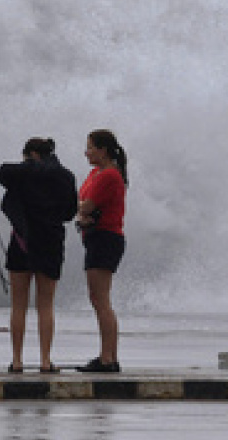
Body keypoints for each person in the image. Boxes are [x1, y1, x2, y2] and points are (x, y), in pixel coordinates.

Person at [0, 137, 78, 374]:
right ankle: (44, 360)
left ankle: (17, 360)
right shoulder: (65, 176)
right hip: (51, 242)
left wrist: (30, 166)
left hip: (21, 242)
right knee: (46, 305)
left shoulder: (22, 174)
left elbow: (1, 173)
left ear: (31, 154)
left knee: (18, 305)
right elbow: (70, 212)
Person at [74, 129, 128, 373]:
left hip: (106, 237)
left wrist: (81, 211)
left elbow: (86, 205)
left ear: (103, 150)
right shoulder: (96, 173)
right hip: (96, 236)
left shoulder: (109, 175)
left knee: (101, 299)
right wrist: (81, 212)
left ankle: (108, 358)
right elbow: (82, 204)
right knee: (97, 298)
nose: (87, 152)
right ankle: (108, 355)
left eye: (90, 147)